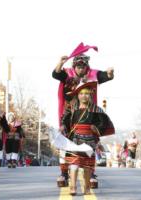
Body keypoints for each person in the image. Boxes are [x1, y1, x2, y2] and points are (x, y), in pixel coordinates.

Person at [53, 42, 114, 187]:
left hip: (88, 113)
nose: (81, 68)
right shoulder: (67, 74)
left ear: (86, 67)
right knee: (65, 143)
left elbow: (105, 75)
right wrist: (60, 63)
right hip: (70, 113)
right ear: (74, 66)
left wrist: (110, 73)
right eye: (78, 66)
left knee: (89, 143)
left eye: (83, 66)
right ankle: (63, 173)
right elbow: (56, 74)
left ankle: (91, 174)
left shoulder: (93, 75)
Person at [60, 81, 114, 195]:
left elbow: (103, 123)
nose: (84, 96)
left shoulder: (97, 110)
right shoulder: (72, 108)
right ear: (77, 95)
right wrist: (62, 126)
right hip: (74, 139)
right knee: (73, 165)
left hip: (89, 140)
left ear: (90, 95)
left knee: (87, 167)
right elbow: (64, 119)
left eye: (86, 93)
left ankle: (87, 188)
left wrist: (96, 128)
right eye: (81, 93)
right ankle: (73, 188)